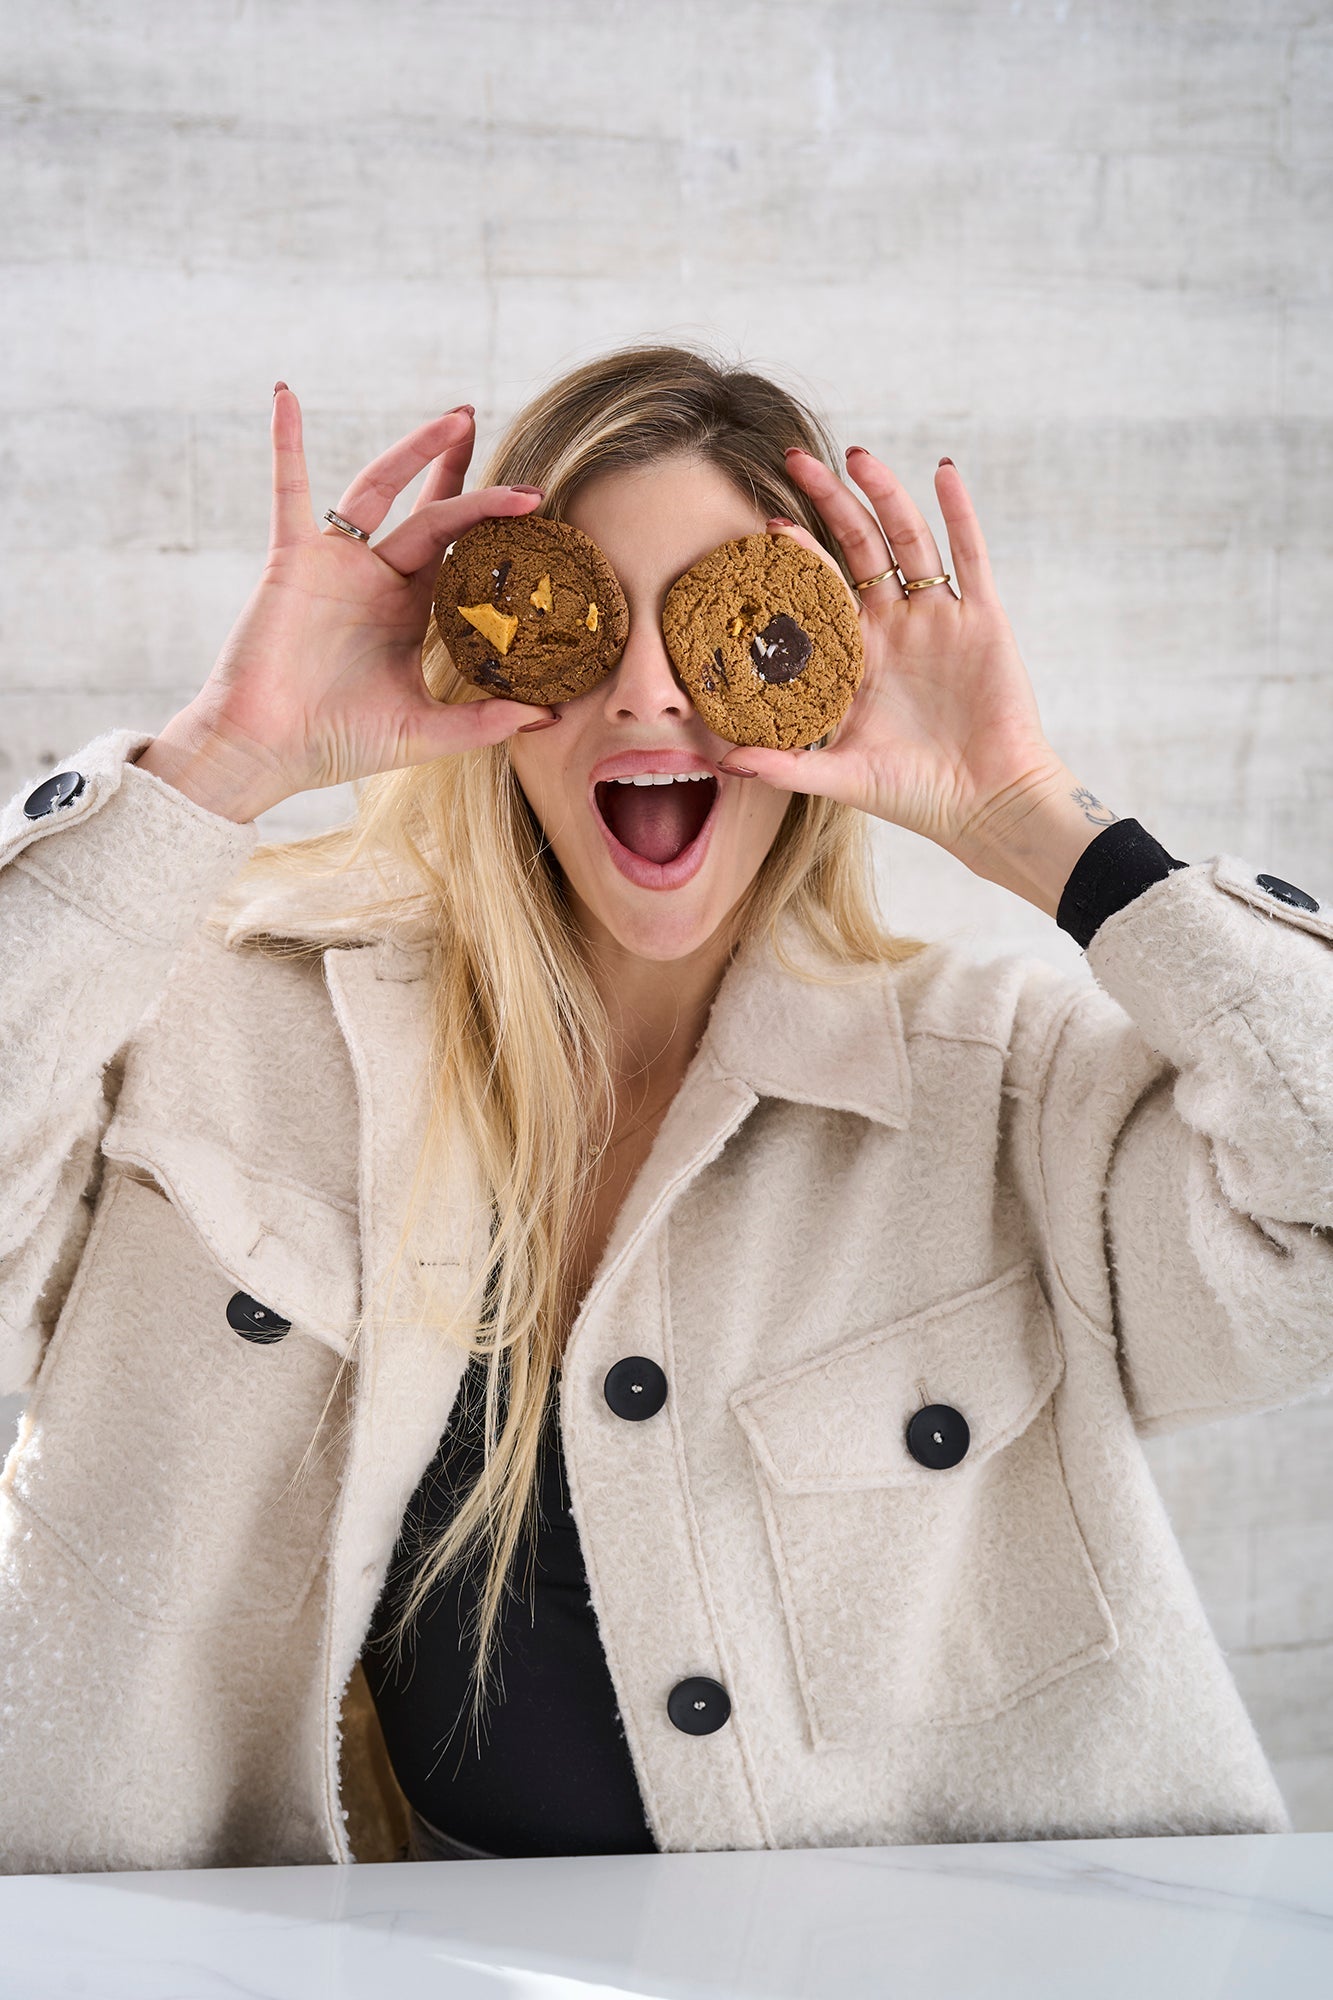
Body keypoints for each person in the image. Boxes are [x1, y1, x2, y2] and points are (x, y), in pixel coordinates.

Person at [1, 344, 1329, 1877]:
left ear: (829, 673)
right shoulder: (217, 1029)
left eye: (728, 629)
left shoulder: (1009, 1093)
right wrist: (215, 765)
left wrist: (1036, 821)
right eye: (583, 623)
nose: (644, 686)